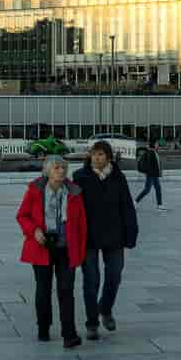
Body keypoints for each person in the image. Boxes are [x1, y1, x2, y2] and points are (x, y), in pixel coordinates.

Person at [16, 155, 86, 349]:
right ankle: (43, 327)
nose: (61, 171)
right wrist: (34, 231)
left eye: (63, 167)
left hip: (66, 248)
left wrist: (79, 252)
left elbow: (81, 224)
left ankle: (69, 334)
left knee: (66, 290)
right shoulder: (35, 190)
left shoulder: (74, 191)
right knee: (43, 290)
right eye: (56, 168)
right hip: (42, 246)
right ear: (47, 171)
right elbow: (22, 215)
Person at [72, 140, 138, 341]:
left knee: (114, 276)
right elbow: (73, 210)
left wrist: (131, 233)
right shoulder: (80, 177)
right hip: (89, 238)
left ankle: (106, 309)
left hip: (114, 236)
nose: (97, 158)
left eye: (101, 154)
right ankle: (92, 323)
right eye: (94, 154)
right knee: (91, 280)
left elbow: (127, 206)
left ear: (108, 157)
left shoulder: (118, 177)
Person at [135, 139, 168, 212]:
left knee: (158, 189)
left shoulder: (154, 152)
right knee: (147, 190)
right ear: (153, 144)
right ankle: (134, 202)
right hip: (151, 175)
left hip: (154, 175)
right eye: (156, 144)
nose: (157, 145)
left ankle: (160, 205)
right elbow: (149, 164)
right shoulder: (151, 152)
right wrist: (149, 173)